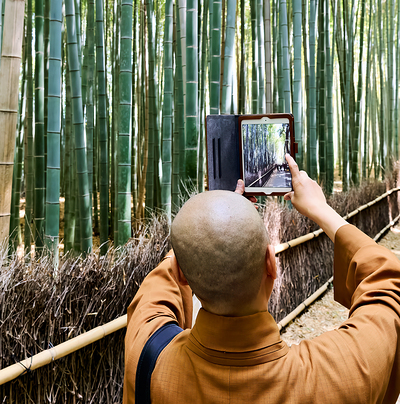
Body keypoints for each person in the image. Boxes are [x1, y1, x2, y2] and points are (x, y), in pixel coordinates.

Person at [123, 153, 400, 404]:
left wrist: (216, 223)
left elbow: (163, 280)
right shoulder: (334, 376)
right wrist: (320, 209)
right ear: (271, 263)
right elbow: (388, 279)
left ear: (183, 275)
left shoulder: (148, 353)